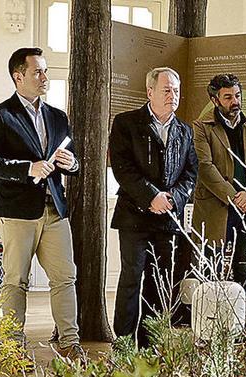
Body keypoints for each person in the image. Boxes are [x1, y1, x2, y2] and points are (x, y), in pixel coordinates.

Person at [0, 47, 84, 359]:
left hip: (55, 211)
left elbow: (71, 161)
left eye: (46, 71)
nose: (44, 77)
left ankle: (69, 343)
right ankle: (12, 347)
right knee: (15, 281)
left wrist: (71, 162)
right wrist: (26, 169)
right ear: (18, 76)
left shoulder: (58, 117)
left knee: (66, 278)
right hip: (17, 212)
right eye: (37, 72)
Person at [109, 67, 199, 348]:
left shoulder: (184, 130)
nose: (173, 96)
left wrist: (173, 198)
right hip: (133, 217)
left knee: (159, 284)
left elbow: (190, 173)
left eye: (176, 91)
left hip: (167, 219)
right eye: (167, 90)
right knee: (131, 278)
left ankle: (150, 346)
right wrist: (151, 196)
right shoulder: (126, 123)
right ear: (150, 92)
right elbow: (122, 167)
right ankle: (123, 345)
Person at [191, 74, 246, 298]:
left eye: (237, 95)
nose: (235, 102)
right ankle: (209, 327)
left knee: (243, 270)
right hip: (216, 209)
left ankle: (240, 327)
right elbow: (204, 167)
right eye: (227, 97)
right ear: (215, 100)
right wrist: (235, 197)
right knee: (210, 269)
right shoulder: (201, 127)